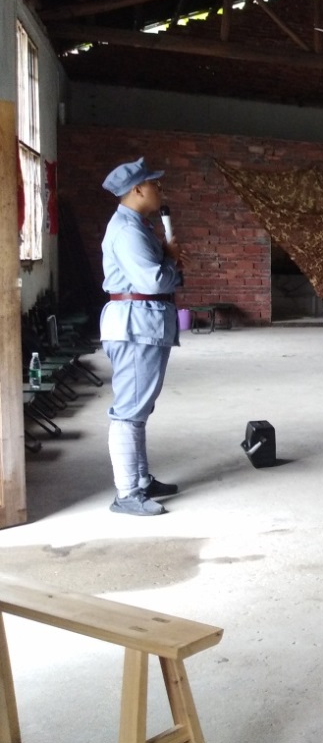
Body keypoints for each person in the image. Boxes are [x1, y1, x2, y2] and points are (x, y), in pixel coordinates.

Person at [98, 158, 183, 516]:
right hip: (135, 327)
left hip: (143, 324)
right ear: (137, 189)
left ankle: (141, 480)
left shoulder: (137, 225)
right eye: (154, 184)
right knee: (130, 411)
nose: (160, 189)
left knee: (140, 407)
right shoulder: (128, 231)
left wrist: (166, 257)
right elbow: (154, 280)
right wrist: (171, 261)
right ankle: (127, 493)